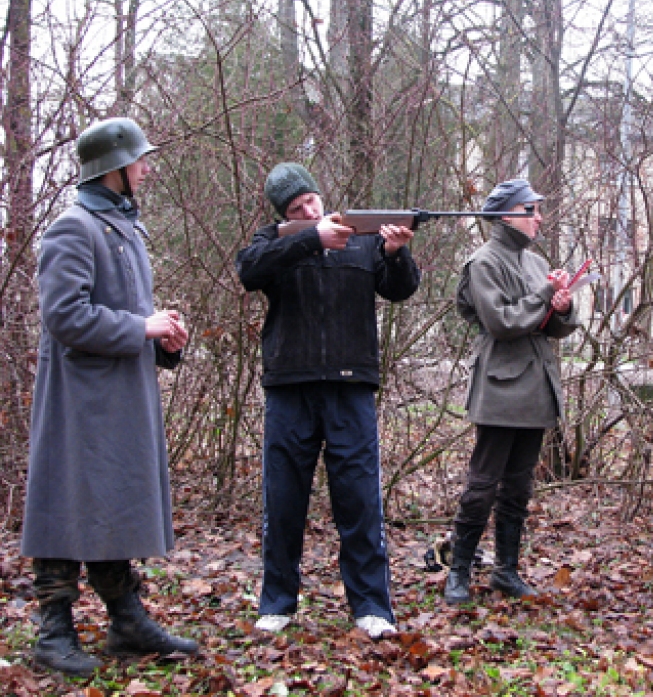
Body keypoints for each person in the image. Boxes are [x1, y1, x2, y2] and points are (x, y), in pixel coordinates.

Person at [21, 117, 198, 675]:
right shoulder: (73, 228)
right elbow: (65, 316)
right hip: (80, 401)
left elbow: (126, 313)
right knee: (67, 506)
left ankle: (126, 620)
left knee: (109, 507)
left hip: (120, 394)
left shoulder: (122, 227)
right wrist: (142, 326)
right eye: (139, 159)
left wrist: (163, 336)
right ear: (113, 168)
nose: (147, 167)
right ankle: (54, 632)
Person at [236, 163, 420, 639]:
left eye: (311, 201)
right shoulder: (273, 241)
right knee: (283, 502)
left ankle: (372, 607)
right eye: (296, 208)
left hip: (351, 387)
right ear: (284, 212)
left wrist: (396, 251)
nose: (309, 210)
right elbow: (249, 272)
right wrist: (309, 237)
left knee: (359, 501)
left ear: (321, 194)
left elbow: (401, 289)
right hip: (290, 388)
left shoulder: (361, 237)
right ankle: (277, 603)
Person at [443, 180, 579, 605]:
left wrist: (563, 308)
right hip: (500, 389)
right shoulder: (483, 262)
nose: (539, 217)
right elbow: (500, 322)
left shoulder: (537, 262)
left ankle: (506, 571)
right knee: (482, 486)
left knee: (519, 487)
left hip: (538, 386)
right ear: (506, 216)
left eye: (539, 209)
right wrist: (543, 295)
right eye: (530, 209)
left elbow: (553, 327)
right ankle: (459, 573)